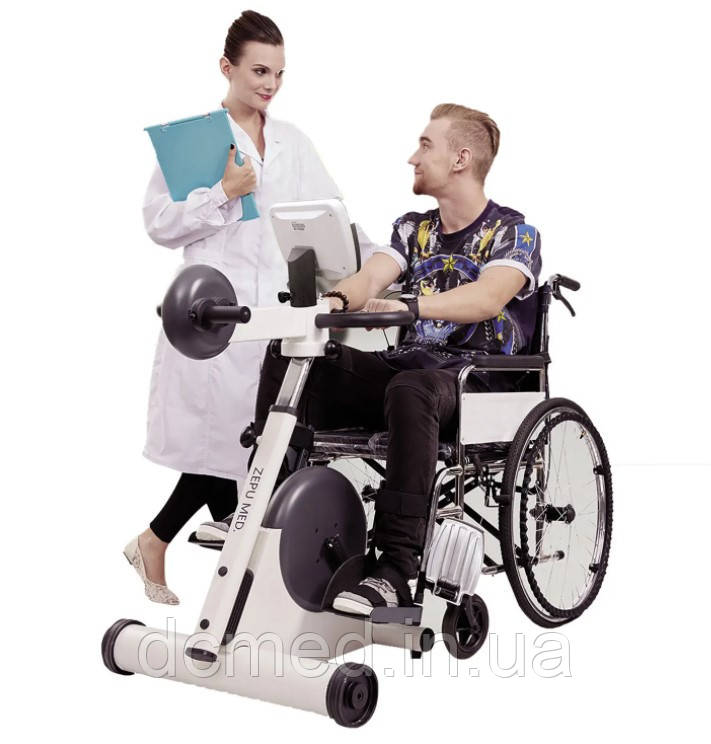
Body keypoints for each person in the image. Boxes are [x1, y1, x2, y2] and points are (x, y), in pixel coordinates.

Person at [197, 103, 543, 617]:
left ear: (461, 159)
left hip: (478, 381)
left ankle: (396, 569)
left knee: (411, 388)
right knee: (292, 355)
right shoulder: (412, 229)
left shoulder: (516, 233)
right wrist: (337, 300)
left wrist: (411, 307)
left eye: (425, 145)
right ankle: (261, 504)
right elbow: (372, 275)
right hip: (413, 373)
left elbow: (488, 298)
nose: (412, 157)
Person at [124, 11, 377, 604]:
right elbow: (159, 224)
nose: (271, 84)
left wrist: (377, 264)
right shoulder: (196, 141)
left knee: (251, 445)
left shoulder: (292, 142)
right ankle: (218, 583)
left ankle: (167, 549)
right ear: (227, 67)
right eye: (260, 71)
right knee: (231, 449)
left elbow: (331, 215)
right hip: (212, 311)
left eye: (279, 73)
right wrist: (224, 192)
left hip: (276, 316)